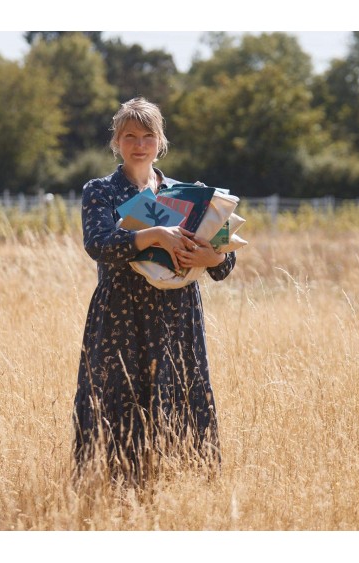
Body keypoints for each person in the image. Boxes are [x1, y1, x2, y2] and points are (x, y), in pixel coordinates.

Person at [72, 97, 236, 482]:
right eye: (130, 135)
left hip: (176, 314)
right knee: (119, 401)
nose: (139, 144)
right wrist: (157, 234)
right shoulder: (100, 191)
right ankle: (116, 489)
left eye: (148, 135)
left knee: (179, 396)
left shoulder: (187, 194)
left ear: (161, 141)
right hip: (120, 315)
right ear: (117, 141)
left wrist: (210, 258)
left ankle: (179, 486)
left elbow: (224, 261)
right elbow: (99, 244)